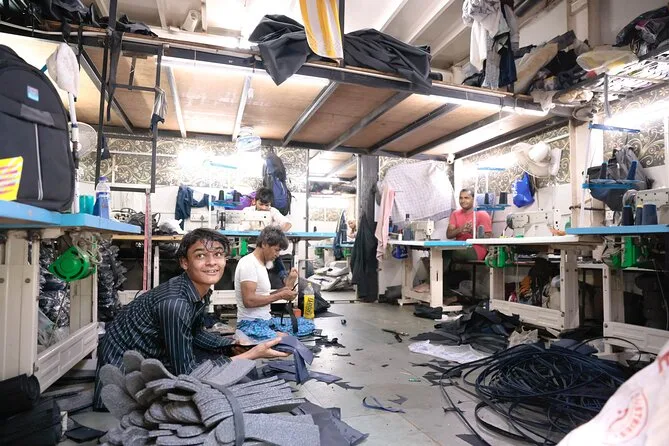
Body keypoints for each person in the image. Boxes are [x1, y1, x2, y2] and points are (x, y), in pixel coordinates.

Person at [93, 228, 288, 410]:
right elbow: (187, 373)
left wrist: (230, 346)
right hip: (120, 379)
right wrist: (251, 355)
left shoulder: (197, 290)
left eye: (218, 254)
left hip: (151, 358)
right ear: (184, 262)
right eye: (201, 255)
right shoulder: (175, 304)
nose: (212, 262)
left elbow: (195, 333)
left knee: (227, 369)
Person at [236, 226, 315, 340]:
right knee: (286, 338)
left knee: (308, 324)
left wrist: (284, 290)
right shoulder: (248, 264)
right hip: (250, 324)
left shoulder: (261, 264)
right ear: (264, 244)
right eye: (276, 250)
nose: (278, 255)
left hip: (266, 320)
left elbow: (263, 296)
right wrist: (281, 295)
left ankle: (274, 333)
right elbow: (249, 301)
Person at [244, 187, 292, 284]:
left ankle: (285, 280)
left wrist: (276, 235)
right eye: (261, 204)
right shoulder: (247, 211)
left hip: (268, 246)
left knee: (276, 256)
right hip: (252, 246)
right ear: (254, 201)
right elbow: (242, 229)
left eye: (267, 205)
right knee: (248, 261)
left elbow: (287, 224)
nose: (264, 208)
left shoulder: (273, 211)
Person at [447, 188, 492, 261]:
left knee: (449, 252)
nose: (463, 201)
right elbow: (449, 235)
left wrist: (472, 232)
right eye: (461, 198)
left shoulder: (482, 214)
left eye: (466, 198)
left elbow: (488, 238)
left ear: (473, 199)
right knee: (441, 251)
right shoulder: (455, 214)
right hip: (459, 246)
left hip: (476, 249)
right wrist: (460, 229)